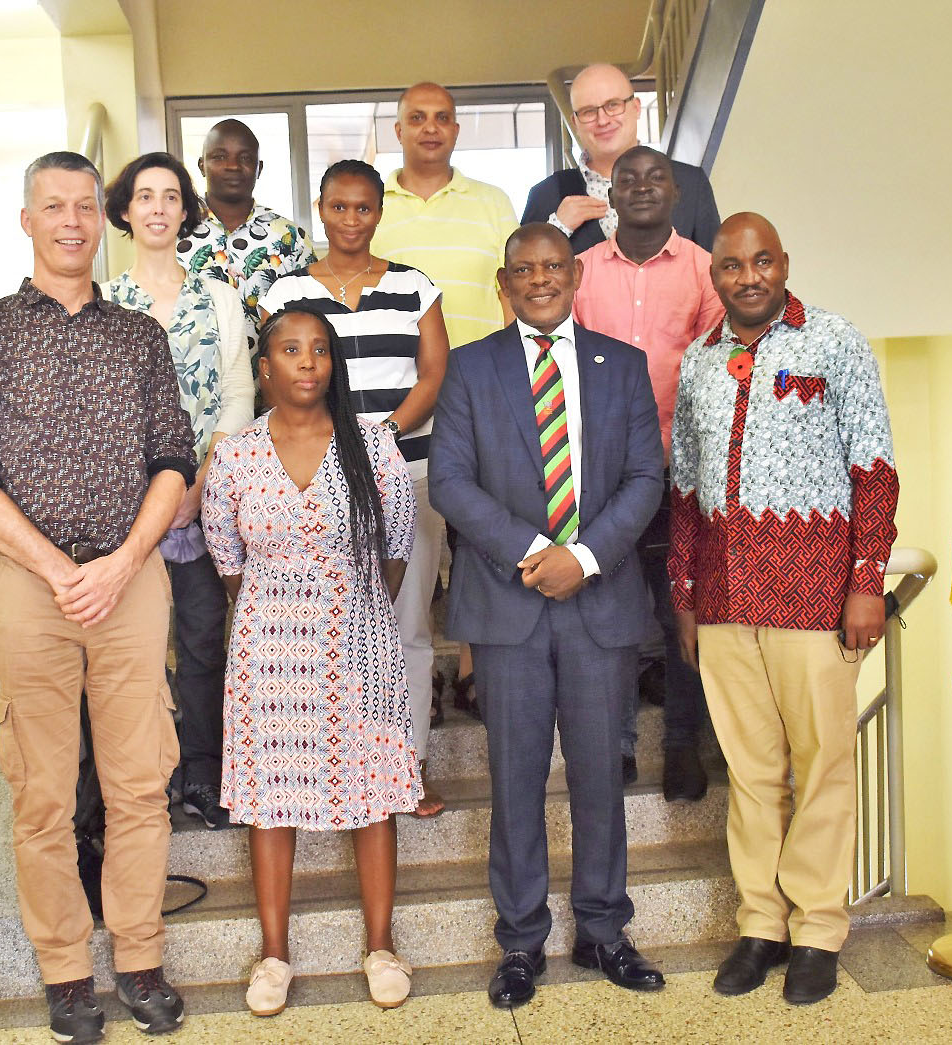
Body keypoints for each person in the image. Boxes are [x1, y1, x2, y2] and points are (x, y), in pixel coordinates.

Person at [0, 151, 193, 1043]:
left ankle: (138, 957)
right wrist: (56, 567)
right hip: (30, 587)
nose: (73, 221)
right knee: (43, 792)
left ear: (104, 217)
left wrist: (123, 561)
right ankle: (62, 972)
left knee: (138, 783)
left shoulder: (139, 337)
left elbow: (174, 458)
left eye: (86, 205)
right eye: (55, 206)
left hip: (128, 581)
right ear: (27, 220)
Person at [430, 223, 666, 1009]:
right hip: (508, 606)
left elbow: (644, 477)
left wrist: (585, 558)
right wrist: (538, 551)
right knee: (516, 779)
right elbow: (451, 485)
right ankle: (522, 939)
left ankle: (603, 930)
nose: (540, 280)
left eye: (554, 267)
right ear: (503, 283)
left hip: (598, 604)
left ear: (576, 277)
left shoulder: (623, 368)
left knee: (601, 775)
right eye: (524, 270)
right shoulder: (469, 370)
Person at [669, 213, 898, 1006]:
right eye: (732, 265)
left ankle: (819, 931)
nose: (748, 276)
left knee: (824, 767)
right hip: (726, 602)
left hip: (815, 599)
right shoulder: (699, 364)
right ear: (716, 277)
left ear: (784, 264)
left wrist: (867, 580)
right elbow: (686, 495)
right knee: (752, 771)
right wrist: (687, 598)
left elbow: (874, 471)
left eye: (762, 261)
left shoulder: (835, 343)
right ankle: (761, 924)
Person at [201, 307, 419, 1016]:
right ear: (264, 367)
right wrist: (284, 602)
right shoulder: (234, 455)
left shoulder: (373, 444)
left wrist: (350, 610)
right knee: (269, 804)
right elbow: (228, 561)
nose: (306, 361)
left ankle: (381, 945)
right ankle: (274, 954)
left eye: (319, 349)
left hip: (359, 641)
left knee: (373, 795)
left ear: (334, 365)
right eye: (290, 349)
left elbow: (396, 545)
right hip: (268, 650)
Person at [258, 159, 451, 817]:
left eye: (363, 208)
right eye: (338, 207)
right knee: (323, 630)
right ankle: (331, 767)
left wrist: (380, 438)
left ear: (378, 212)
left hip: (408, 474)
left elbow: (433, 374)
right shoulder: (284, 292)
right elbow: (278, 384)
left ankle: (408, 768)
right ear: (320, 209)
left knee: (406, 627)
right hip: (315, 484)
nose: (350, 219)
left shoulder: (413, 286)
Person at [102, 151, 255, 830]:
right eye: (145, 196)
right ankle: (140, 780)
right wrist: (150, 495)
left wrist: (199, 482)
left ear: (185, 210)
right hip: (123, 512)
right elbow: (93, 410)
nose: (159, 207)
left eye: (170, 196)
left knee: (202, 640)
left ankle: (201, 771)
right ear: (126, 212)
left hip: (203, 500)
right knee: (130, 649)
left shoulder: (219, 297)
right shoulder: (103, 301)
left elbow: (239, 395)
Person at [571, 145, 724, 800]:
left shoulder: (704, 270)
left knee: (680, 610)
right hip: (601, 477)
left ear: (675, 192)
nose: (638, 188)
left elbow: (723, 369)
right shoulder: (579, 272)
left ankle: (683, 741)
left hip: (681, 471)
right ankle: (617, 744)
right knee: (606, 614)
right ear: (609, 192)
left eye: (653, 178)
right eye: (625, 178)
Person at [371, 80, 520, 723]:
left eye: (443, 118)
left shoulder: (492, 204)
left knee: (483, 537)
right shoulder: (374, 205)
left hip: (483, 394)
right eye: (417, 118)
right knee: (414, 541)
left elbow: (514, 289)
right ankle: (416, 678)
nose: (430, 128)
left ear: (457, 130)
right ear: (397, 131)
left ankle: (473, 668)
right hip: (403, 402)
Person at [522, 63, 719, 255]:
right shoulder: (547, 194)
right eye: (588, 112)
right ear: (575, 122)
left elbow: (715, 272)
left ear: (636, 107)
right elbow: (522, 276)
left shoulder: (689, 182)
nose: (603, 120)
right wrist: (557, 229)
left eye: (613, 105)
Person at [180, 118, 317, 364]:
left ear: (259, 168)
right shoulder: (175, 232)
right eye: (219, 157)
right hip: (190, 392)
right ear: (201, 165)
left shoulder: (290, 238)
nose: (232, 166)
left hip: (273, 393)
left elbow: (311, 321)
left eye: (245, 158)